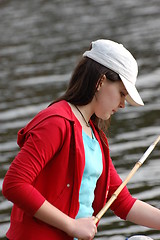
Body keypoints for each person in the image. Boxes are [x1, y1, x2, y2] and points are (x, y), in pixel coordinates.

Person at [2, 39, 160, 240]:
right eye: (122, 94)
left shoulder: (96, 137)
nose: (122, 105)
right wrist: (71, 225)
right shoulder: (56, 122)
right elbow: (14, 184)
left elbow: (122, 202)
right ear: (100, 81)